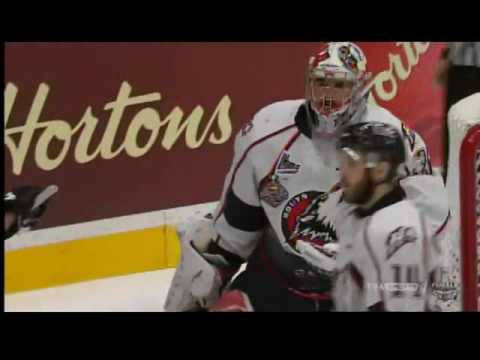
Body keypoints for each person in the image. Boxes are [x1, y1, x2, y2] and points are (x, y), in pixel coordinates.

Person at [165, 42, 449, 312]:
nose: (327, 95)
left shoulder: (395, 141)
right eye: (322, 82)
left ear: (361, 87)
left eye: (339, 85)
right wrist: (205, 274)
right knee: (200, 252)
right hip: (277, 286)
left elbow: (433, 229)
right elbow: (234, 230)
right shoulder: (265, 133)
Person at [325, 122, 441, 311]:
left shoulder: (399, 231)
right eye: (342, 163)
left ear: (380, 170)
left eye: (352, 164)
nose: (342, 175)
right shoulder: (357, 215)